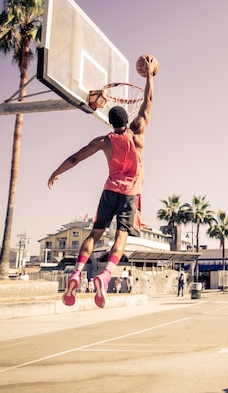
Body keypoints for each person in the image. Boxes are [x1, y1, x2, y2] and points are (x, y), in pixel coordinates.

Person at [48, 56, 155, 308]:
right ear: (127, 120)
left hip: (110, 191)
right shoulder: (138, 132)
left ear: (110, 122)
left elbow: (75, 158)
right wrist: (149, 75)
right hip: (130, 194)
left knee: (95, 234)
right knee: (121, 235)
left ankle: (76, 273)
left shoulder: (103, 141)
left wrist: (56, 172)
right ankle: (105, 276)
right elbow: (148, 102)